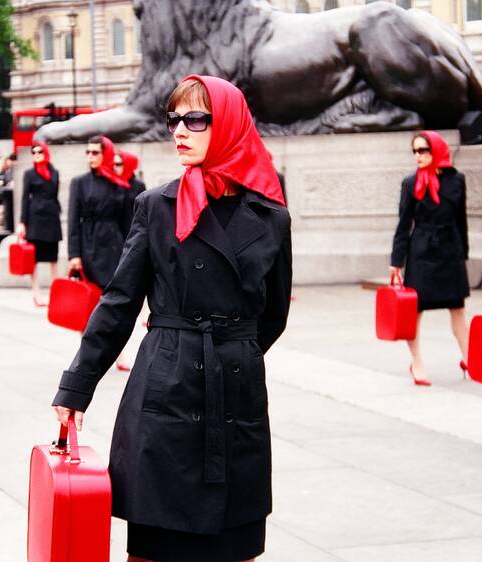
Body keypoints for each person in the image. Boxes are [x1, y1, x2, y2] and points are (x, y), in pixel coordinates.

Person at [53, 75, 291, 562]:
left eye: (195, 119)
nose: (179, 130)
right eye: (173, 119)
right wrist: (76, 387)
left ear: (227, 125)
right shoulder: (154, 207)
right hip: (166, 391)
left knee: (235, 547)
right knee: (154, 548)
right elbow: (119, 303)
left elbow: (274, 314)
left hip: (236, 397)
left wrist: (234, 352)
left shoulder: (271, 217)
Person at [390, 131, 470, 386]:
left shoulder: (457, 180)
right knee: (415, 311)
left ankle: (470, 358)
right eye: (415, 151)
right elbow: (403, 225)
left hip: (450, 250)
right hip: (422, 251)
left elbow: (461, 219)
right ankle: (417, 363)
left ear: (436, 150)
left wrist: (463, 253)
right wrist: (396, 262)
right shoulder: (410, 182)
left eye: (423, 150)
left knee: (457, 308)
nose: (418, 156)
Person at [68, 135, 132, 370]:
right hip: (89, 248)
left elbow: (127, 222)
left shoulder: (119, 182)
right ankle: (86, 354)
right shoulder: (80, 182)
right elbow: (73, 221)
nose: (90, 157)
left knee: (115, 305)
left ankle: (119, 354)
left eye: (95, 152)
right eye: (88, 152)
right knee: (88, 304)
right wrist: (74, 255)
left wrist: (131, 253)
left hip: (115, 247)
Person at [19, 141, 61, 305]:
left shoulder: (55, 172)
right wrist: (22, 222)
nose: (36, 155)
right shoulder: (29, 174)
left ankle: (54, 291)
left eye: (39, 152)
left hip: (51, 217)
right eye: (33, 152)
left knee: (53, 256)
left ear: (45, 153)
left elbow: (55, 194)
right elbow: (24, 198)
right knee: (34, 257)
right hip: (35, 218)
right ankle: (36, 293)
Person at [114, 148, 146, 224]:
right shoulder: (110, 183)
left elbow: (142, 211)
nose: (114, 167)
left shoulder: (138, 185)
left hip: (131, 230)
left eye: (118, 164)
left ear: (127, 164)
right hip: (112, 232)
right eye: (112, 164)